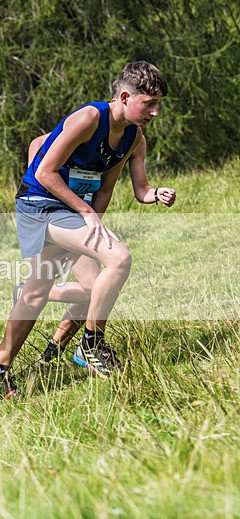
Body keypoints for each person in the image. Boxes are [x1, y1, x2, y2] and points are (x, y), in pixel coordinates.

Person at [0, 61, 168, 401]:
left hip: (71, 212)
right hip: (39, 206)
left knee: (38, 295)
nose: (155, 112)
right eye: (149, 103)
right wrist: (85, 213)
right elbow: (45, 172)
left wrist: (138, 202)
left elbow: (109, 189)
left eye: (158, 105)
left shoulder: (133, 138)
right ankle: (91, 347)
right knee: (120, 259)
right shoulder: (89, 118)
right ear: (125, 96)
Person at [20, 133, 176, 366]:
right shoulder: (89, 124)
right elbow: (37, 144)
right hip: (58, 217)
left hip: (89, 221)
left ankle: (53, 353)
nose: (151, 115)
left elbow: (142, 188)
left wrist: (156, 194)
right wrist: (42, 193)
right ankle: (32, 297)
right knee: (97, 288)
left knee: (97, 289)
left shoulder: (136, 140)